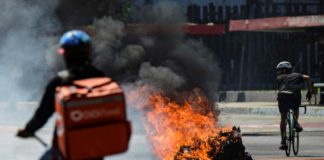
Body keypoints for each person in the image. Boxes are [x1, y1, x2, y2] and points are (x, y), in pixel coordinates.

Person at [16, 30, 105, 159]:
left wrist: (28, 130)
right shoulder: (102, 78)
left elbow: (43, 114)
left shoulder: (60, 81)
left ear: (65, 54)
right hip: (96, 149)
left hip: (66, 149)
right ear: (88, 51)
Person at [276, 61, 313, 150]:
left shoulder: (279, 77)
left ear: (284, 70)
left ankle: (283, 141)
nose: (278, 72)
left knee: (283, 118)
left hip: (283, 96)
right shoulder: (297, 75)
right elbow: (307, 78)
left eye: (279, 70)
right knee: (295, 108)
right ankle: (295, 123)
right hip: (294, 96)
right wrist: (309, 92)